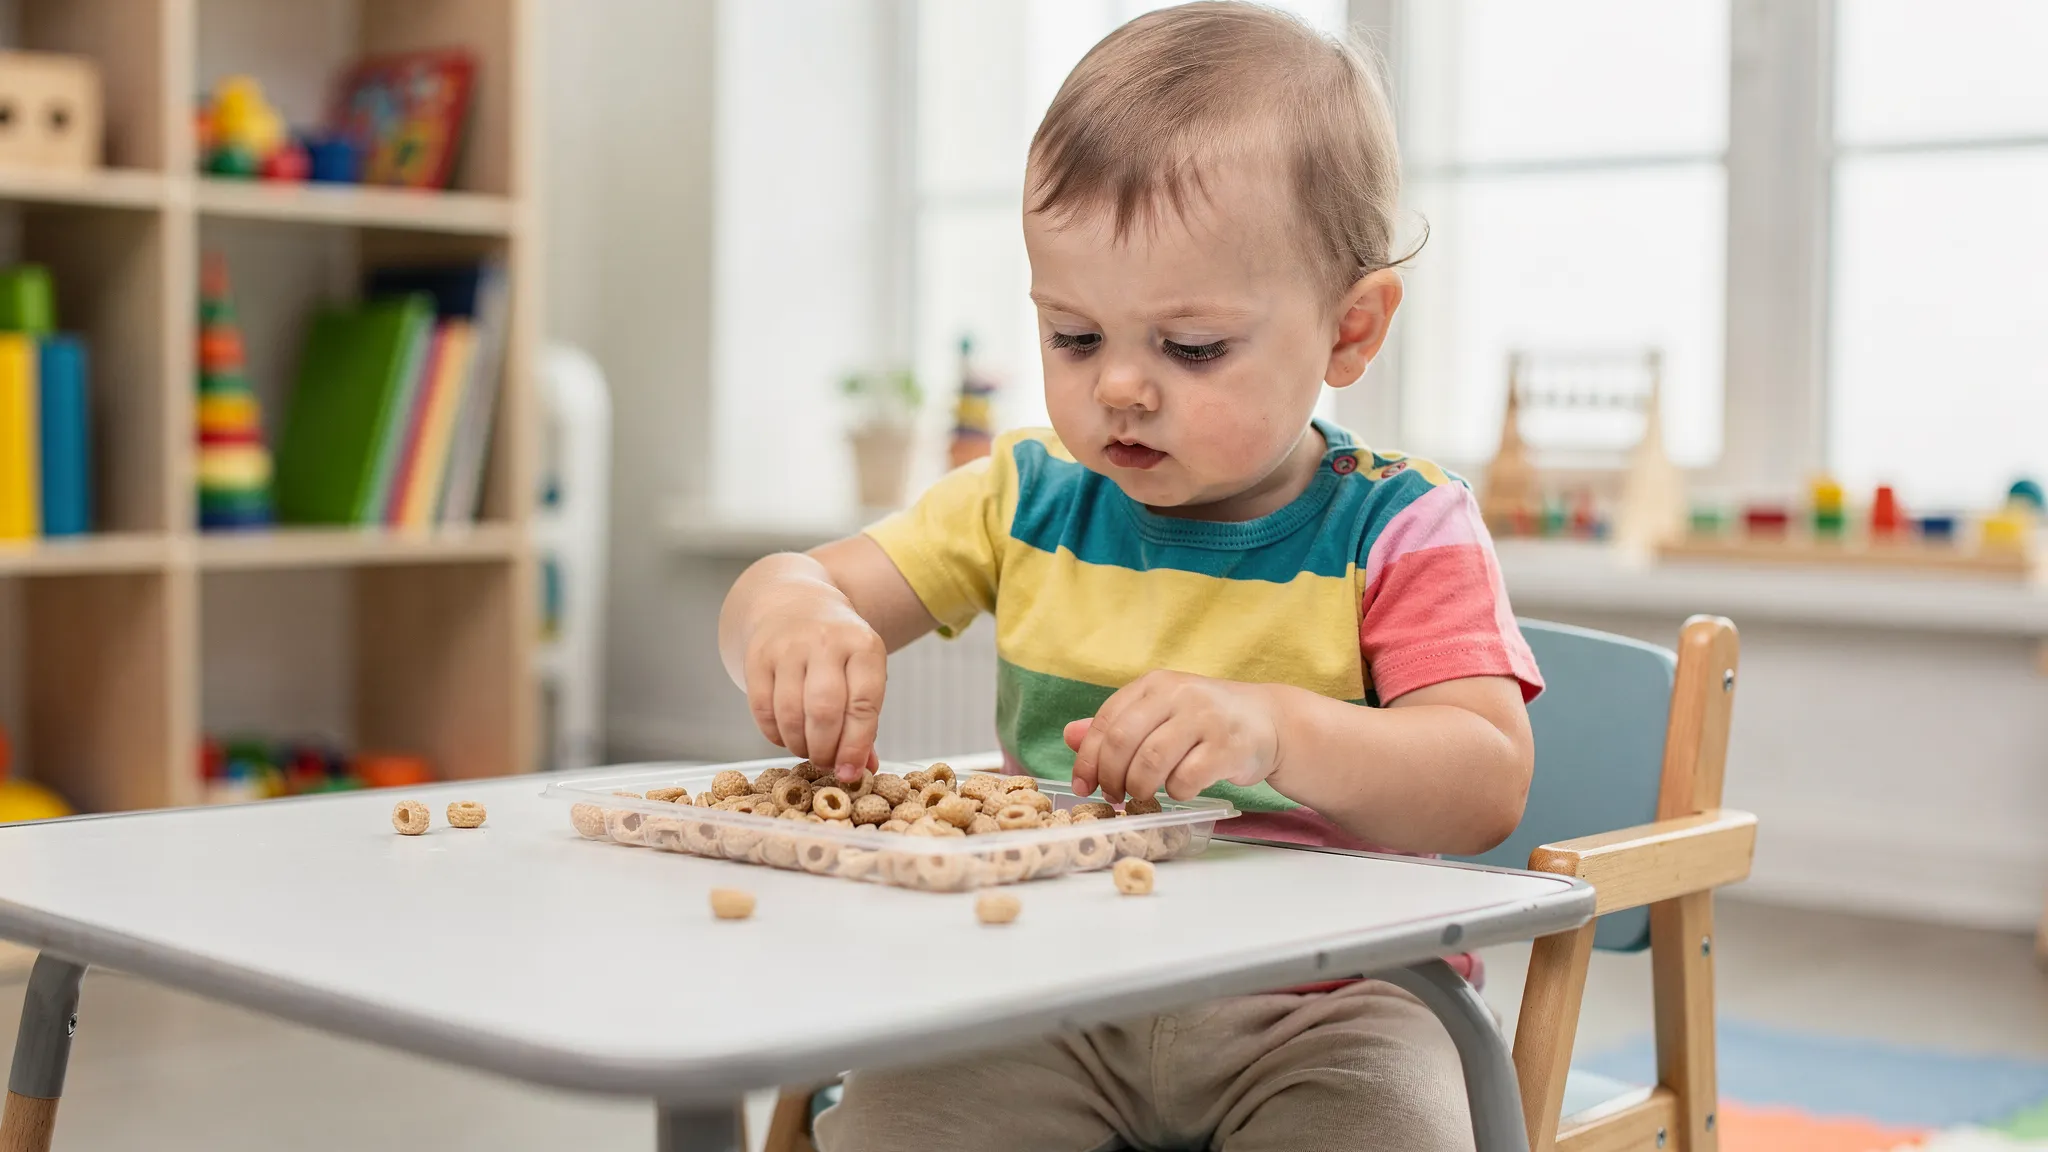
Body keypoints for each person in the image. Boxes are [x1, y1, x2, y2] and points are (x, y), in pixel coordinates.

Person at [718, 4, 1543, 1148]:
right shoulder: (1028, 497)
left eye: (1189, 347)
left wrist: (1279, 731)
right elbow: (785, 586)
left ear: (1349, 332)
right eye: (1072, 336)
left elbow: (1484, 778)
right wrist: (792, 614)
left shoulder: (1400, 527)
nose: (1118, 389)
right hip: (1046, 992)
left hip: (1333, 1009)